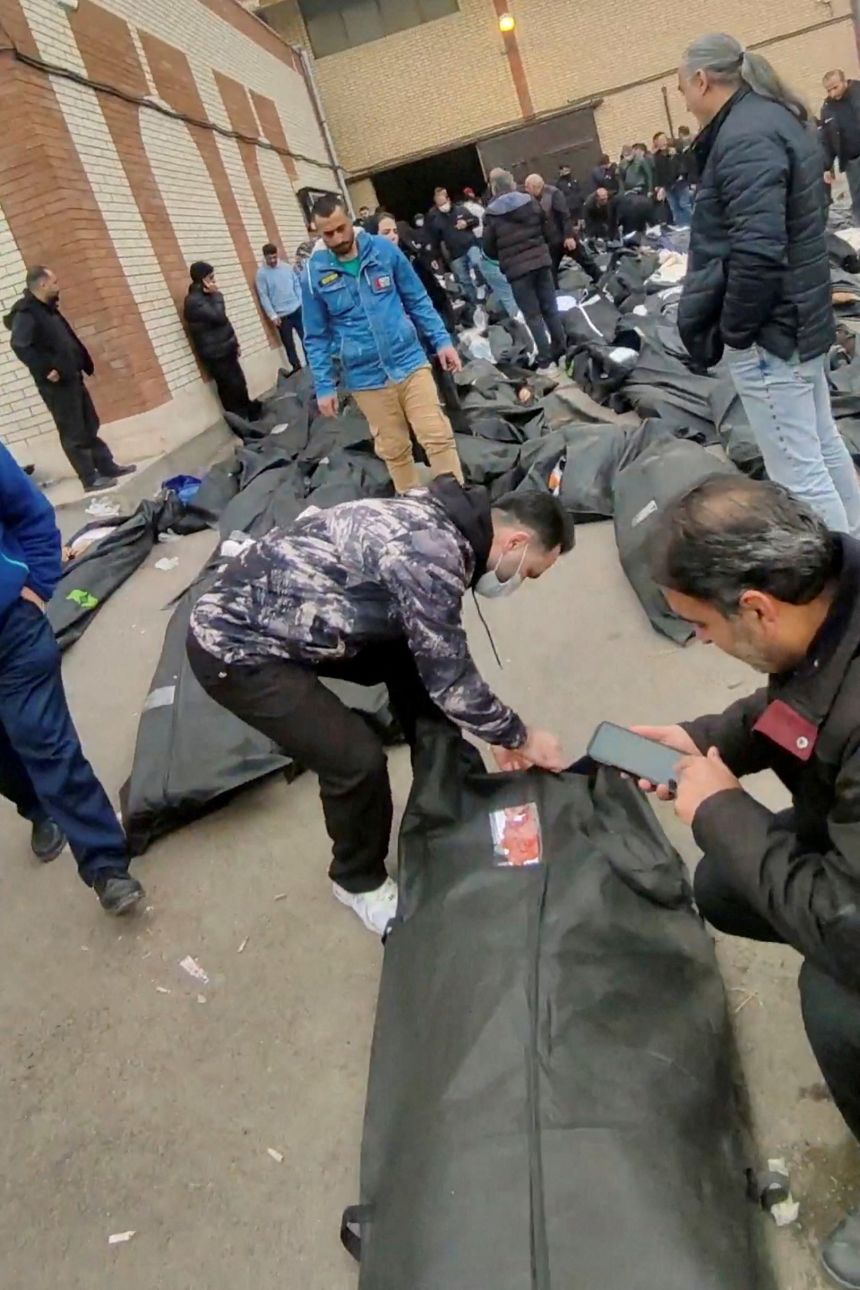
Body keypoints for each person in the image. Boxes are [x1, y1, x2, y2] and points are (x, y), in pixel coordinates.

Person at [638, 474, 860, 1289]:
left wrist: (721, 809)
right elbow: (801, 701)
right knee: (726, 885)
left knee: (837, 999)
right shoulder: (835, 597)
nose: (698, 640)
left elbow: (850, 925)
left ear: (757, 607)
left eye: (700, 623)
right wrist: (707, 746)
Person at [187, 480, 572, 934]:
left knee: (420, 671)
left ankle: (449, 791)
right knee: (355, 759)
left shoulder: (445, 513)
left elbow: (439, 658)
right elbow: (453, 681)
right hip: (235, 646)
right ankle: (356, 879)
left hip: (300, 606)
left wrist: (496, 732)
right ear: (515, 541)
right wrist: (521, 736)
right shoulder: (432, 554)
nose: (520, 583)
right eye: (530, 573)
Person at [678, 32, 860, 536]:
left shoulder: (744, 137)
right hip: (799, 316)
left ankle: (842, 589)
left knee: (799, 473)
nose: (685, 99)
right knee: (822, 447)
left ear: (701, 79)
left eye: (682, 87)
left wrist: (737, 331)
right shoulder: (774, 118)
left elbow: (757, 251)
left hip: (772, 332)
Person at [0, 443, 144, 915]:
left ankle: (106, 867)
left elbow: (28, 511)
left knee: (47, 744)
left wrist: (37, 587)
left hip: (12, 633)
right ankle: (37, 809)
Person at [301, 195, 463, 493]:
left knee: (435, 434)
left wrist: (442, 340)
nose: (337, 238)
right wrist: (324, 385)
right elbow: (316, 335)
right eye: (328, 233)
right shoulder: (313, 274)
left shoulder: (384, 250)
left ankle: (459, 508)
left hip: (409, 361)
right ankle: (413, 513)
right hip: (366, 377)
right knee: (394, 448)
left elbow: (416, 299)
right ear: (316, 232)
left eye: (341, 228)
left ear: (350, 220)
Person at [5, 267, 136, 495]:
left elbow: (66, 338)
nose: (58, 285)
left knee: (88, 424)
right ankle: (89, 477)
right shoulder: (26, 313)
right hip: (56, 385)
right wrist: (46, 369)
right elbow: (19, 345)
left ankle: (106, 465)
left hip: (72, 376)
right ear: (42, 284)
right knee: (73, 431)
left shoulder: (48, 310)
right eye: (54, 281)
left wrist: (84, 361)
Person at [483, 170, 566, 373]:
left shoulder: (491, 214)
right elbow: (547, 229)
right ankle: (563, 352)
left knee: (533, 315)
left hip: (517, 272)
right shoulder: (530, 202)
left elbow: (488, 248)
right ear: (512, 183)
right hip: (541, 262)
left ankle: (546, 361)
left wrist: (505, 256)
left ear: (494, 187)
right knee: (550, 309)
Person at [184, 262, 261, 421]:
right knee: (228, 387)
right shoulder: (193, 301)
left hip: (227, 347)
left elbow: (225, 323)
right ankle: (238, 419)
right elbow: (219, 316)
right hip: (215, 353)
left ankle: (249, 411)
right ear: (202, 280)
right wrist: (216, 295)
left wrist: (235, 343)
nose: (214, 281)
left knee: (239, 382)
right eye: (210, 278)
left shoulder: (207, 297)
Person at [426, 186, 518, 317]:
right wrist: (436, 257)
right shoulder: (435, 219)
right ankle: (476, 305)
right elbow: (435, 239)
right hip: (455, 252)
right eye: (438, 202)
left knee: (479, 262)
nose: (441, 205)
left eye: (443, 201)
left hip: (470, 244)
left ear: (448, 198)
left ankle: (489, 289)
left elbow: (475, 220)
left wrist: (466, 223)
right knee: (464, 279)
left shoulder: (461, 209)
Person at [376, 213, 456, 337]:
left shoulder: (411, 258)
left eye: (395, 231)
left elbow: (432, 291)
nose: (393, 236)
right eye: (386, 232)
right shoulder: (372, 269)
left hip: (430, 322)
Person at [523, 172, 600, 284]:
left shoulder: (554, 194)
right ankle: (557, 296)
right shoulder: (531, 199)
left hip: (564, 237)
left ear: (535, 187)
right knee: (551, 272)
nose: (526, 190)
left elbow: (564, 215)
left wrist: (568, 236)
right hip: (550, 242)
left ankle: (601, 279)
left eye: (528, 187)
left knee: (585, 260)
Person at [255, 242, 304, 374]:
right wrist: (272, 315)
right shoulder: (261, 274)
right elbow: (263, 296)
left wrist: (300, 301)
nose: (272, 261)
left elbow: (297, 284)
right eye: (269, 258)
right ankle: (297, 368)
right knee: (289, 344)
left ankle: (312, 364)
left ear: (277, 255)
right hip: (281, 315)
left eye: (274, 257)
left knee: (306, 337)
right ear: (265, 257)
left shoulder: (287, 267)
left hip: (297, 309)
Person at [821, 70, 860, 226]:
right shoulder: (827, 108)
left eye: (835, 87)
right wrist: (827, 167)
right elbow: (826, 139)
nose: (832, 93)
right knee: (858, 198)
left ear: (844, 82)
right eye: (828, 90)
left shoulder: (858, 93)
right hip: (851, 161)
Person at [652, 131, 686, 225]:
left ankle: (689, 226)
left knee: (684, 205)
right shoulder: (657, 157)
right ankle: (681, 227)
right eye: (660, 140)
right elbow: (658, 173)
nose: (664, 142)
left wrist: (674, 156)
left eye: (664, 139)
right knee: (674, 207)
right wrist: (658, 186)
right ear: (656, 143)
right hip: (667, 186)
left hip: (679, 183)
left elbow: (681, 165)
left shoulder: (674, 152)